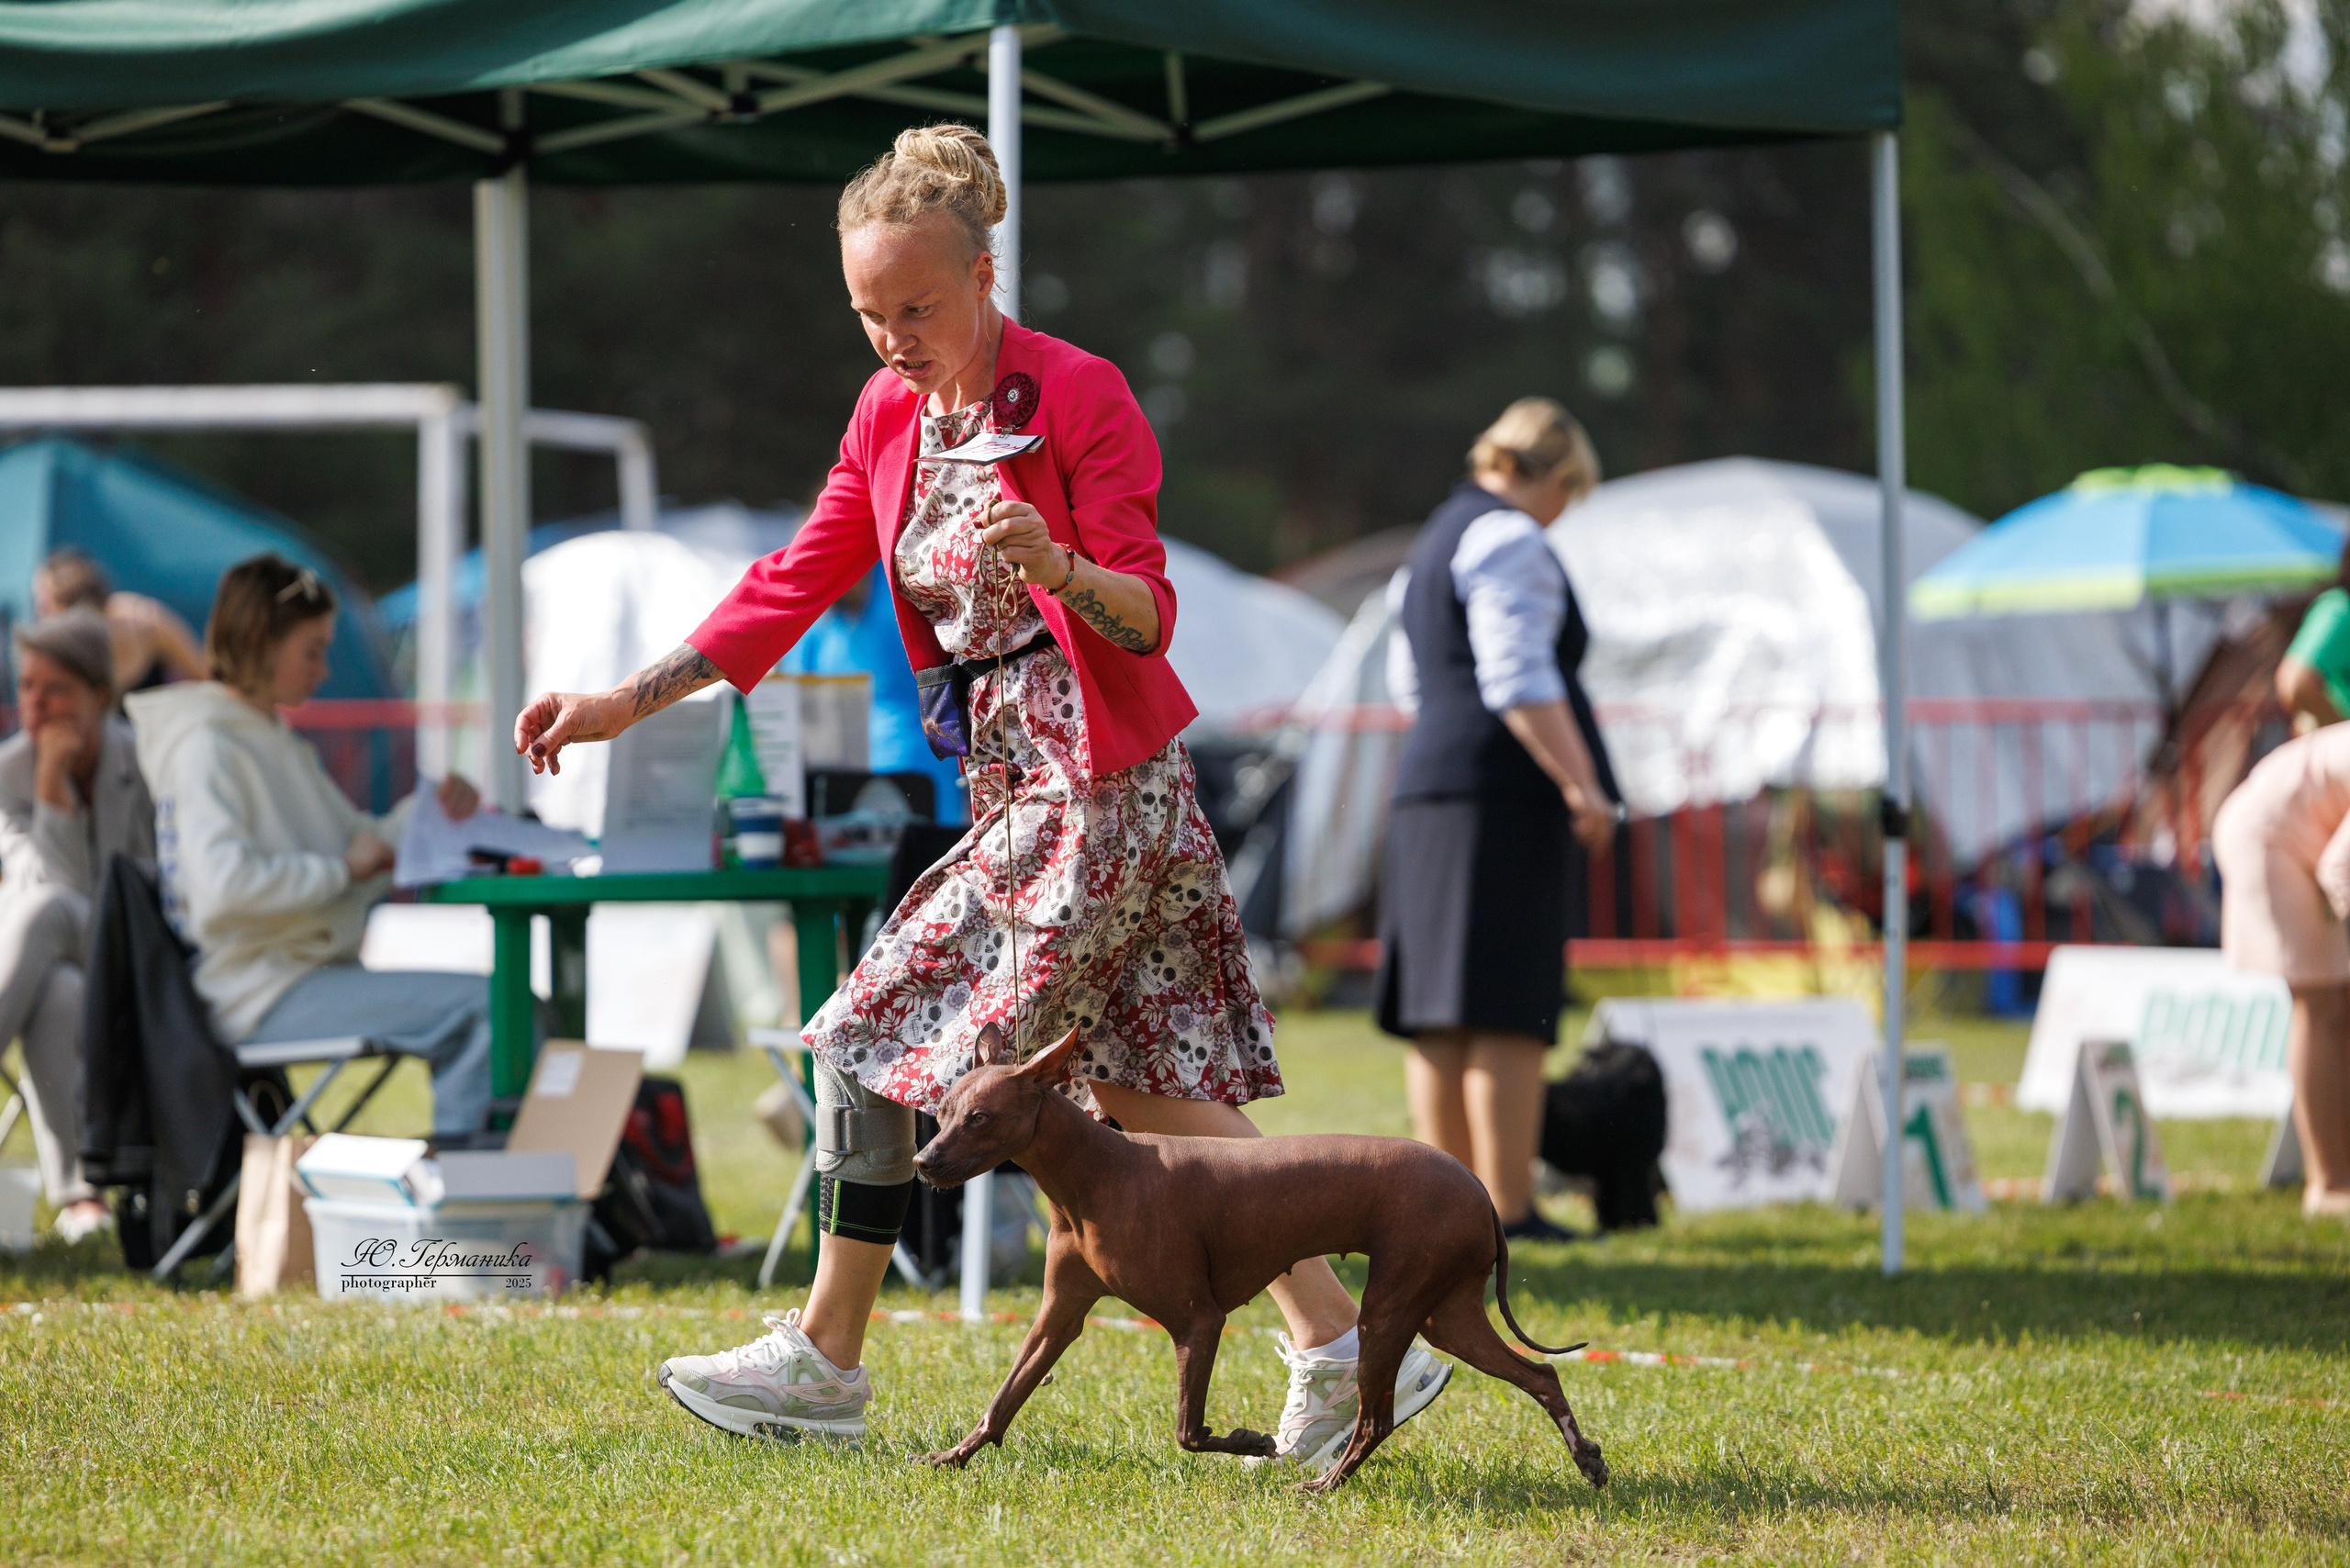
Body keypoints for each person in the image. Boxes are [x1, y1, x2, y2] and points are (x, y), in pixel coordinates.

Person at [514, 124, 1449, 1470]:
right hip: (1017, 784)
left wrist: (1059, 566)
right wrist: (619, 703)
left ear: (985, 273)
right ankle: (1338, 1340)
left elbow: (1149, 615)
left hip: (1099, 786)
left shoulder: (1081, 393)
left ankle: (828, 1362)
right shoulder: (890, 412)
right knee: (1147, 1084)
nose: (892, 336)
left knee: (860, 1038)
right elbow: (794, 578)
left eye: (918, 306)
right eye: (867, 313)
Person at [125, 554, 497, 1137]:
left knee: (500, 1005)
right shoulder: (209, 747)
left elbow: (356, 844)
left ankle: (486, 1183)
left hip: (279, 981)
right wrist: (340, 871)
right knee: (492, 1009)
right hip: (257, 994)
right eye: (312, 650)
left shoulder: (260, 737)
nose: (323, 670)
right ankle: (474, 1197)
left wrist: (428, 814)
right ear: (261, 643)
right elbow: (224, 890)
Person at [1376, 398, 1621, 1242]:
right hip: (1500, 795)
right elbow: (1516, 675)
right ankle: (1507, 1207)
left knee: (1439, 1012)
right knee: (1507, 1009)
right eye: (1570, 494)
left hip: (1427, 785)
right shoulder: (1513, 538)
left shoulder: (1430, 541)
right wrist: (1582, 783)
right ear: (1553, 477)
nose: (1564, 514)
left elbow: (1410, 680)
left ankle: (1442, 1209)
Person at [0, 610, 154, 1239]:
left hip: (141, 962)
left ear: (102, 695)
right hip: (57, 967)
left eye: (56, 688)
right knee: (58, 992)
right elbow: (35, 878)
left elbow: (142, 888)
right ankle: (81, 1196)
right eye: (27, 686)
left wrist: (54, 793)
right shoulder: (8, 772)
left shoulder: (147, 762)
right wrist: (48, 784)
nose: (36, 703)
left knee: (47, 910)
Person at [2211, 724, 2350, 1217]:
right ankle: (2330, 1187)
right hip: (2269, 838)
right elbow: (2341, 870)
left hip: (2311, 844)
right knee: (2324, 1004)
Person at [33, 546, 207, 695]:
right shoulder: (54, 658)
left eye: (45, 608)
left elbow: (204, 679)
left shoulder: (144, 620)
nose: (43, 620)